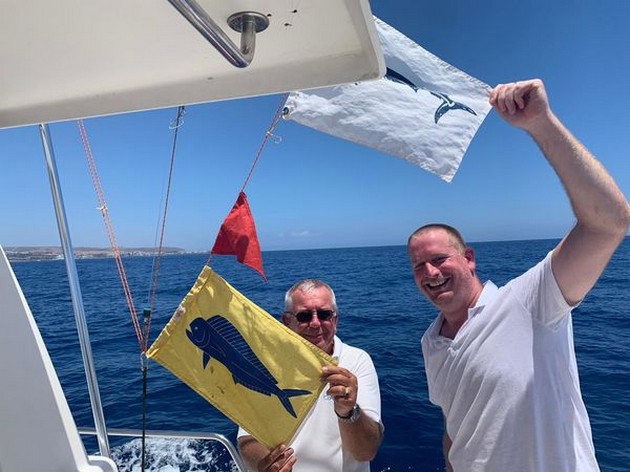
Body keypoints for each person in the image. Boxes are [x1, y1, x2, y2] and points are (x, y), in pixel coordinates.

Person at [407, 79, 630, 472]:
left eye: (439, 259)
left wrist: (541, 123)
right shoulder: (432, 341)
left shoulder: (531, 301)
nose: (430, 272)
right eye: (418, 266)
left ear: (469, 259)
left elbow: (607, 223)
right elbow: (455, 425)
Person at [237, 279, 384, 471]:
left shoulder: (357, 361)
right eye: (304, 316)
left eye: (324, 314)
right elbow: (247, 440)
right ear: (287, 322)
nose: (315, 323)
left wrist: (349, 412)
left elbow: (366, 452)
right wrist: (264, 464)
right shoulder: (265, 365)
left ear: (335, 320)